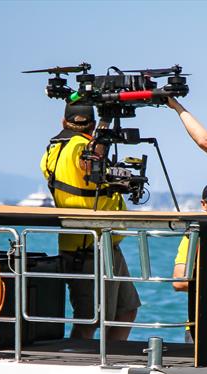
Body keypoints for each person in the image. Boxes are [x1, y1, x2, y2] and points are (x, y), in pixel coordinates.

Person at [40, 102, 140, 341]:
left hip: (101, 243)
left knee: (126, 308)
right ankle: (78, 362)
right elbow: (89, 163)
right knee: (90, 318)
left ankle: (113, 357)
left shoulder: (51, 151)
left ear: (63, 122)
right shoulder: (84, 148)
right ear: (92, 125)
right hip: (88, 247)